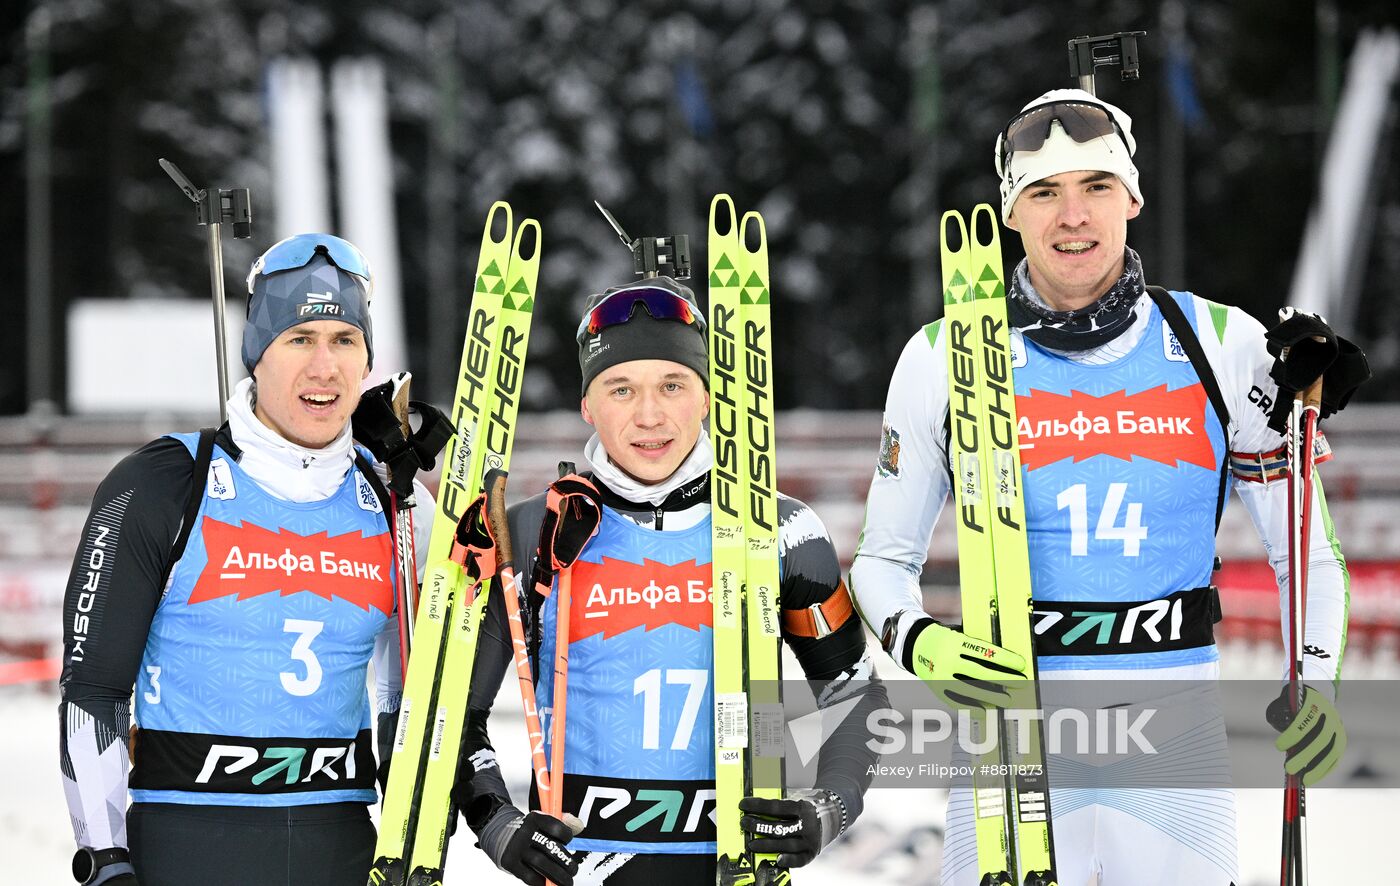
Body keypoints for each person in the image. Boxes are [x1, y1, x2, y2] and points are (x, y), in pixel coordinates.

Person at [850, 88, 1359, 885]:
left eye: (1095, 186)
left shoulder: (1223, 343)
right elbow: (880, 566)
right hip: (1008, 741)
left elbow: (1310, 557)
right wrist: (926, 644)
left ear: (1132, 196)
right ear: (1010, 212)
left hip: (1174, 747)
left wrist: (1318, 681)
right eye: (1043, 192)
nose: (1072, 216)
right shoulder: (942, 355)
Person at [449, 275, 887, 886]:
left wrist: (827, 808)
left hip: (734, 867)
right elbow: (451, 717)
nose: (649, 415)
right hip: (586, 868)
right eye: (620, 388)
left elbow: (856, 697)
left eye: (673, 385)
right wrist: (498, 826)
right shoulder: (531, 535)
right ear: (587, 405)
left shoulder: (784, 531)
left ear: (706, 397)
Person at [59, 234, 432, 886]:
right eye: (299, 339)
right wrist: (106, 863)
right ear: (256, 355)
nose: (324, 366)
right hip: (185, 849)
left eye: (345, 341)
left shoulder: (396, 502)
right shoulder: (164, 483)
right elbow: (93, 693)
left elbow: (422, 691)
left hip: (341, 849)